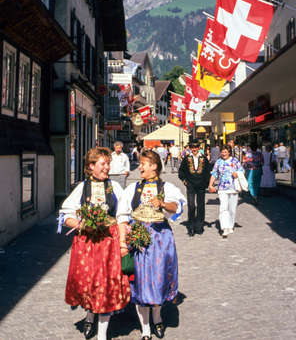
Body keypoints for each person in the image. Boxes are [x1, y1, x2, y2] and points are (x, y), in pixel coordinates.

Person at [59, 147, 130, 340]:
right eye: (103, 164)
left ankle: (102, 333)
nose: (107, 167)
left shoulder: (114, 187)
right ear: (91, 166)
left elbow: (123, 215)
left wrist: (123, 241)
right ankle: (90, 317)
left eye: (108, 163)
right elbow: (66, 215)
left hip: (109, 243)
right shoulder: (82, 188)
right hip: (87, 244)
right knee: (90, 284)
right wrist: (83, 224)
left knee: (106, 285)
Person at [117, 150, 186, 340]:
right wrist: (124, 242)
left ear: (154, 166)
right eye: (140, 164)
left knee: (159, 278)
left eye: (143, 164)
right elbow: (122, 215)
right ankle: (145, 328)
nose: (139, 167)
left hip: (160, 238)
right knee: (140, 282)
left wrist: (163, 203)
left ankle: (157, 317)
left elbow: (178, 205)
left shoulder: (166, 186)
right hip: (139, 238)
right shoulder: (133, 189)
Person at [208, 144, 245, 238]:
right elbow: (214, 173)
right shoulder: (218, 162)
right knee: (223, 208)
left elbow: (242, 170)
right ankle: (225, 228)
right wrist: (210, 185)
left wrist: (237, 173)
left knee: (232, 209)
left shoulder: (234, 160)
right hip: (222, 189)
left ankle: (230, 225)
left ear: (229, 152)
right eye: (222, 152)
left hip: (233, 188)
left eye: (225, 152)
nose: (223, 153)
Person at [178, 141, 211, 236]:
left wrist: (206, 183)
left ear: (199, 147)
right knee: (191, 206)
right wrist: (185, 182)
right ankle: (191, 227)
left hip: (201, 186)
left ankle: (199, 226)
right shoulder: (186, 158)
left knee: (201, 206)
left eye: (196, 147)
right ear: (190, 148)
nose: (194, 149)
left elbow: (208, 171)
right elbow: (181, 172)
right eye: (192, 147)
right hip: (191, 186)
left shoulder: (204, 159)